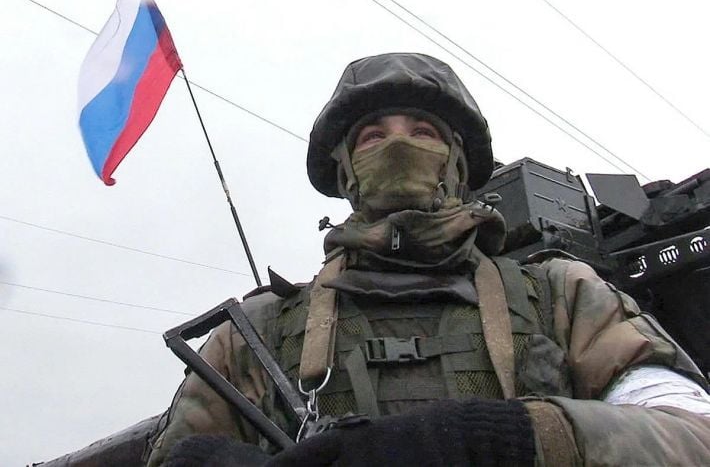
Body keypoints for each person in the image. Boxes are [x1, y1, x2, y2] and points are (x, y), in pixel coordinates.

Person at [147, 53, 710, 466]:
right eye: (372, 137)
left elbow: (694, 436)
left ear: (458, 163)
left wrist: (515, 438)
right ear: (346, 170)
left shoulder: (564, 295)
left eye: (423, 132)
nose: (399, 146)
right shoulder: (257, 334)